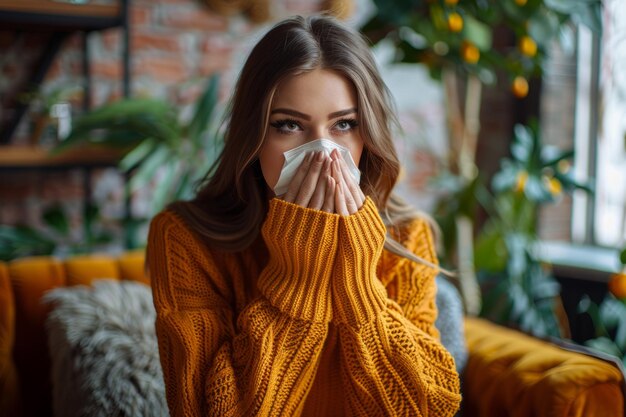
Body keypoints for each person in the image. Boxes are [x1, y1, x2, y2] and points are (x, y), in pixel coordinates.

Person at [146, 14, 461, 417]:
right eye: (289, 125)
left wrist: (357, 280)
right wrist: (299, 275)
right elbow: (205, 410)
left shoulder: (407, 234)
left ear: (368, 133)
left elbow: (429, 408)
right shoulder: (185, 239)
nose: (323, 153)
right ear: (255, 134)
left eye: (344, 124)